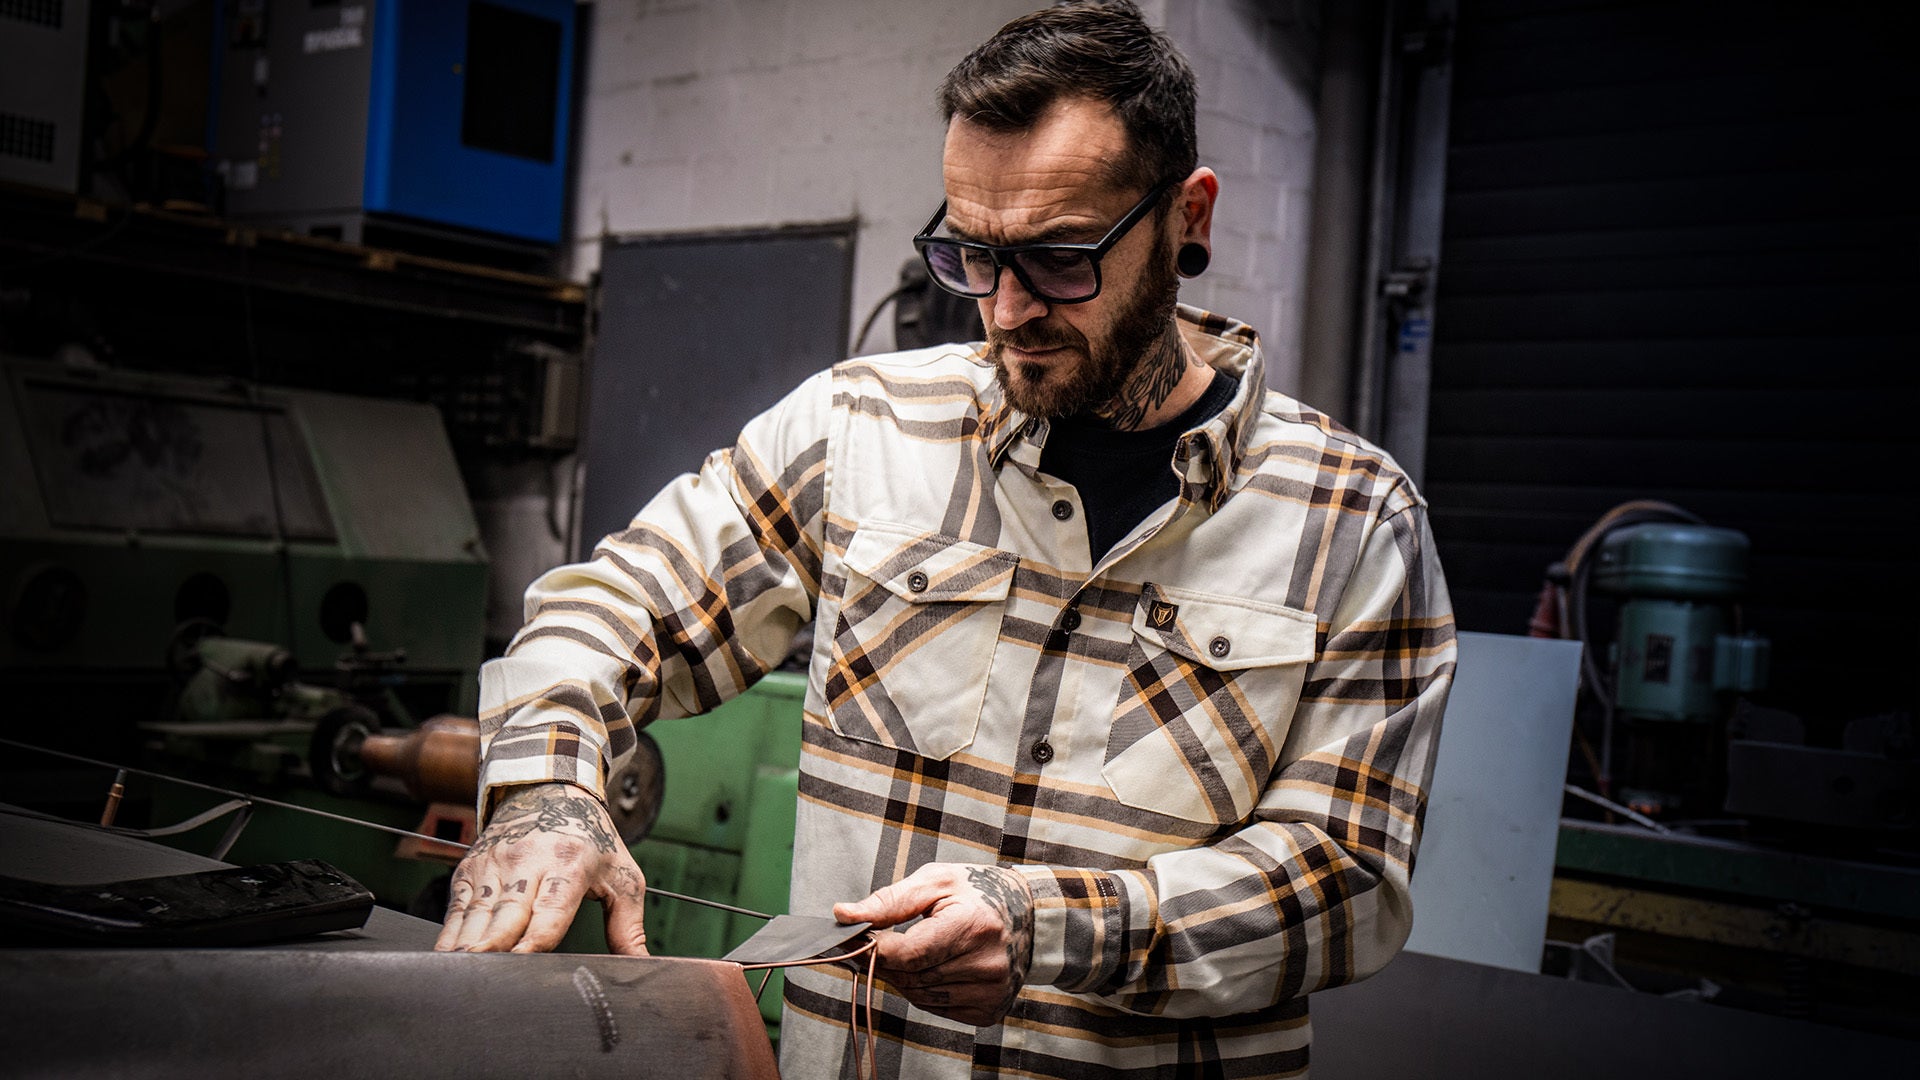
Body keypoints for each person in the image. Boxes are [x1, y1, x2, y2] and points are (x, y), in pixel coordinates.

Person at [435, 2, 1455, 1076]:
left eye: (1060, 258)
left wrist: (1054, 926)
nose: (1006, 309)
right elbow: (620, 602)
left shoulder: (1353, 520)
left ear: (1187, 219)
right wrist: (549, 786)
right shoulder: (857, 430)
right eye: (972, 252)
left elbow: (1345, 879)